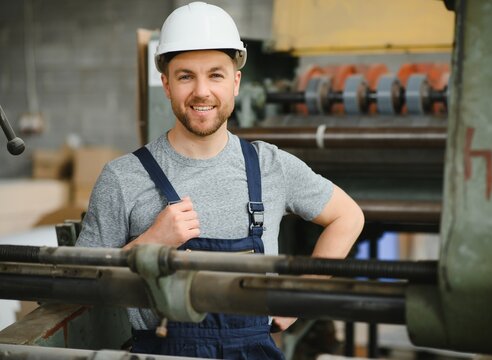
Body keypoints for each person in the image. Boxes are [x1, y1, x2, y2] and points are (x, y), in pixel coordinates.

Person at [76, 1, 364, 358]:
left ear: (236, 81)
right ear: (166, 85)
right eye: (185, 76)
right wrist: (148, 244)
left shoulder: (270, 165)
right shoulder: (123, 177)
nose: (201, 92)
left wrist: (301, 297)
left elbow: (348, 216)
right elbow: (76, 284)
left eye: (215, 74)